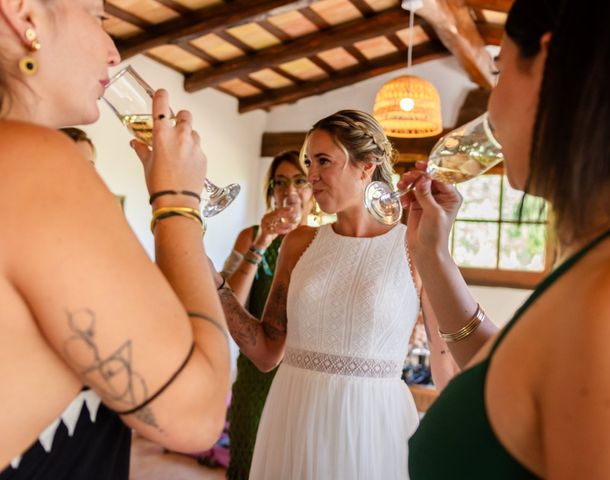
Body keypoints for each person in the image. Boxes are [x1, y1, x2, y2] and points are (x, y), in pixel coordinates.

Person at [401, 0, 610, 478]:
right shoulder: (599, 260)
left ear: (549, 67)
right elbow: (505, 378)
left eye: (499, 69)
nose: (491, 101)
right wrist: (430, 255)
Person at [0, 1, 230, 478]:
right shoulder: (33, 163)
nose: (112, 51)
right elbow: (197, 416)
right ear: (23, 16)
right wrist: (178, 202)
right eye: (96, 16)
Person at [215, 110, 450, 480]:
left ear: (366, 167)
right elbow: (265, 352)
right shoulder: (298, 243)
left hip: (372, 425)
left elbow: (445, 359)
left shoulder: (414, 243)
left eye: (323, 161)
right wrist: (217, 286)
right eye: (309, 161)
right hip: (293, 413)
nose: (311, 175)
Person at [220, 150, 314, 480]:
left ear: (313, 188)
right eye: (281, 182)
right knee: (247, 461)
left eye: (300, 181)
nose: (290, 191)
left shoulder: (322, 241)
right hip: (254, 374)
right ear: (271, 191)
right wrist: (262, 241)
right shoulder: (250, 236)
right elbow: (229, 301)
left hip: (304, 377)